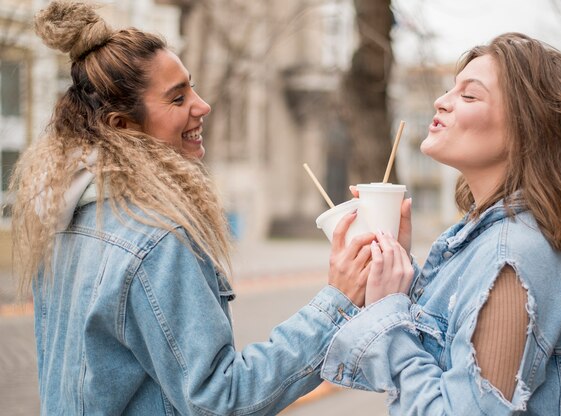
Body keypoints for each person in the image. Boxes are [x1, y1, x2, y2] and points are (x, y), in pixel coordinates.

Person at [10, 1, 385, 414]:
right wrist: (338, 301)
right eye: (178, 98)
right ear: (122, 126)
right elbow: (221, 398)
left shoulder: (64, 218)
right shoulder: (154, 241)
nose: (202, 105)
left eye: (192, 86)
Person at [320, 32, 561, 415]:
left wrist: (388, 310)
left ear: (528, 128)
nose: (441, 101)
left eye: (469, 96)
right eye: (451, 89)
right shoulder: (480, 236)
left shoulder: (511, 255)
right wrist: (397, 273)